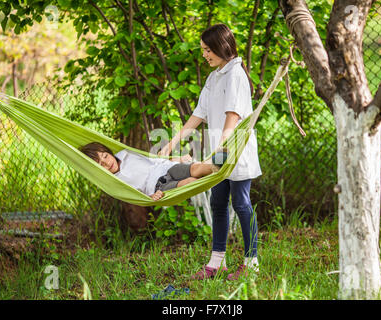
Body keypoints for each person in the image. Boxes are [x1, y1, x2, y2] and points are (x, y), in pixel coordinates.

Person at [159, 24, 262, 280]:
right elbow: (198, 115)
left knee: (241, 203)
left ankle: (252, 264)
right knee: (218, 202)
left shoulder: (235, 74)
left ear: (222, 47)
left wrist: (220, 151)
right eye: (203, 50)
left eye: (208, 50)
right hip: (220, 152)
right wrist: (171, 143)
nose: (204, 54)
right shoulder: (214, 76)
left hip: (234, 150)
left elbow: (232, 117)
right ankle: (217, 263)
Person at [79, 142, 224, 201]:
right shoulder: (115, 183)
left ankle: (220, 162)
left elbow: (153, 160)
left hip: (165, 168)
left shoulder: (126, 153)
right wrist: (151, 196)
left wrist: (177, 159)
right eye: (101, 164)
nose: (107, 163)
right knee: (189, 182)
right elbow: (137, 196)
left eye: (105, 156)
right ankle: (214, 173)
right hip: (157, 187)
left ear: (109, 152)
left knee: (195, 168)